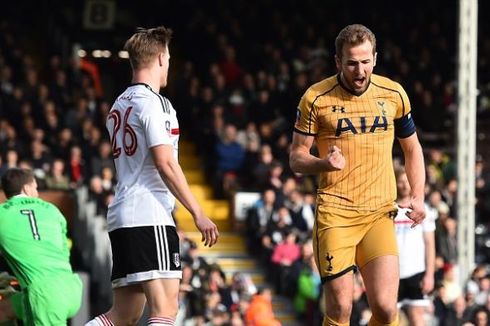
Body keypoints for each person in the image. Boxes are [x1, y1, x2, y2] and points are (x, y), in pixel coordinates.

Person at [289, 24, 426, 325]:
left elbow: (412, 148)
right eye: (351, 62)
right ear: (338, 62)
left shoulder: (393, 94)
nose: (359, 70)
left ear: (375, 59)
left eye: (365, 61)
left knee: (387, 310)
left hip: (379, 214)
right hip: (336, 214)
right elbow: (296, 157)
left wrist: (417, 196)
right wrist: (324, 163)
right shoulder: (316, 98)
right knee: (340, 310)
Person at [85, 26, 219, 326]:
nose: (169, 64)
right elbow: (165, 162)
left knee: (123, 315)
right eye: (168, 57)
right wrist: (197, 212)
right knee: (166, 309)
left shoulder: (118, 105)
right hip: (150, 214)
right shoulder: (155, 103)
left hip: (123, 215)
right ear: (160, 58)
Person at [0, 168, 82, 325]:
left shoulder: (2, 214)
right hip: (70, 287)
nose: (37, 193)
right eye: (36, 188)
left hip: (42, 295)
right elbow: (63, 250)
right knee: (3, 310)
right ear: (27, 188)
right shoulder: (52, 210)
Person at [394, 170, 436, 326]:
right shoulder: (389, 209)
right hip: (393, 272)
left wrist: (430, 274)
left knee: (417, 318)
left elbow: (430, 244)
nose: (404, 185)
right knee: (391, 319)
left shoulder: (423, 210)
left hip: (416, 271)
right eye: (401, 181)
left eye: (407, 181)